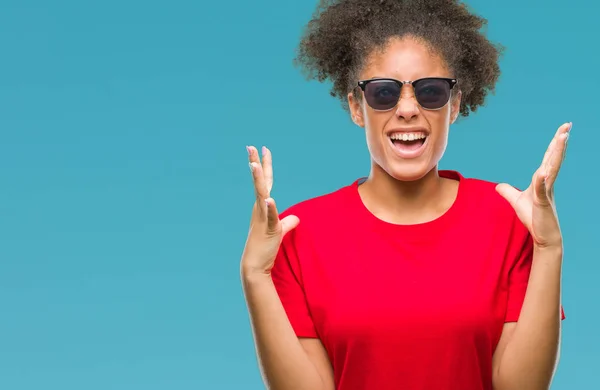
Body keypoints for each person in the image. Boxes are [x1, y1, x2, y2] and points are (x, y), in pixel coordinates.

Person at [240, 1, 569, 389]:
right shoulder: (297, 234)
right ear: (357, 107)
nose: (408, 109)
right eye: (383, 93)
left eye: (430, 91)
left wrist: (548, 248)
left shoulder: (510, 217)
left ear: (455, 104)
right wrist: (254, 275)